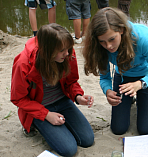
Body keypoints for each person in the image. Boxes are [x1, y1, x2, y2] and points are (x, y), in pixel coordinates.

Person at [10, 23, 94, 157]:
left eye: (68, 48)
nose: (67, 53)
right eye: (62, 50)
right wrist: (46, 114)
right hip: (40, 107)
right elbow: (18, 98)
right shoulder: (24, 63)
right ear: (47, 50)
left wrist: (78, 96)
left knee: (87, 140)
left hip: (62, 101)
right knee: (69, 150)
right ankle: (35, 124)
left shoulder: (67, 53)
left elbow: (71, 81)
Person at [82, 7, 148, 135]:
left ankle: (138, 100)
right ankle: (129, 101)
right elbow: (104, 78)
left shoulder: (143, 39)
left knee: (145, 130)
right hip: (123, 77)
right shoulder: (99, 48)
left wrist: (140, 84)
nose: (108, 46)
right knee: (118, 129)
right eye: (102, 42)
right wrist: (108, 91)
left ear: (121, 30)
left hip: (147, 77)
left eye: (112, 39)